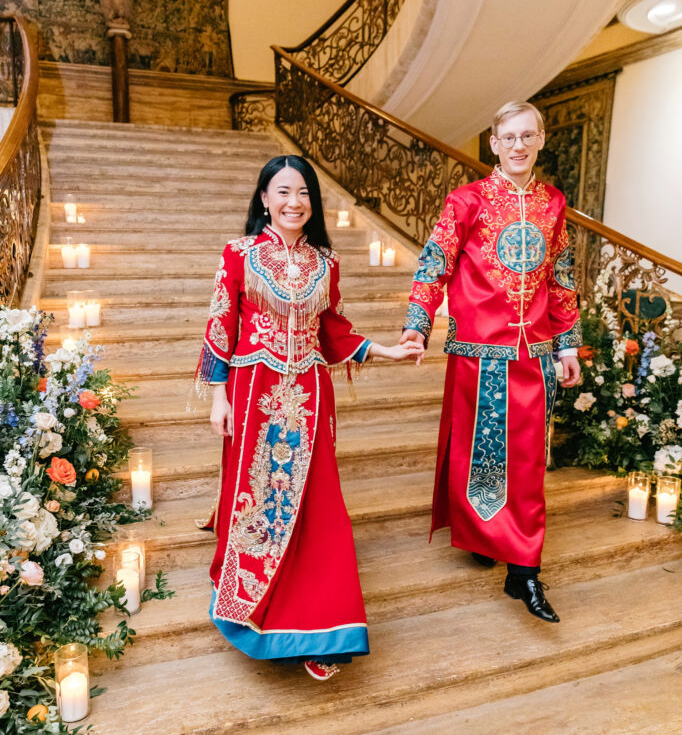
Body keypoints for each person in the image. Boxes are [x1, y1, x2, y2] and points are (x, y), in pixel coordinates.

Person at [194, 155, 421, 680]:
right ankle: (251, 600)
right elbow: (220, 324)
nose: (294, 202)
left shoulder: (326, 261)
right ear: (264, 199)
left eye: (303, 193)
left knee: (317, 503)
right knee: (258, 499)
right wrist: (218, 396)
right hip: (254, 392)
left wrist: (385, 350)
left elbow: (333, 328)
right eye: (283, 192)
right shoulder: (239, 254)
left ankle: (326, 624)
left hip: (311, 394)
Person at [401, 102, 581, 622]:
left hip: (536, 352)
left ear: (541, 140)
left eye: (528, 135)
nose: (519, 145)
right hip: (478, 352)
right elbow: (434, 262)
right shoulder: (467, 200)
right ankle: (485, 534)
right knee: (479, 453)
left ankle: (523, 572)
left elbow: (561, 274)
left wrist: (567, 344)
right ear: (494, 144)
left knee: (526, 463)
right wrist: (418, 321)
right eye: (509, 137)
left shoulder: (553, 204)